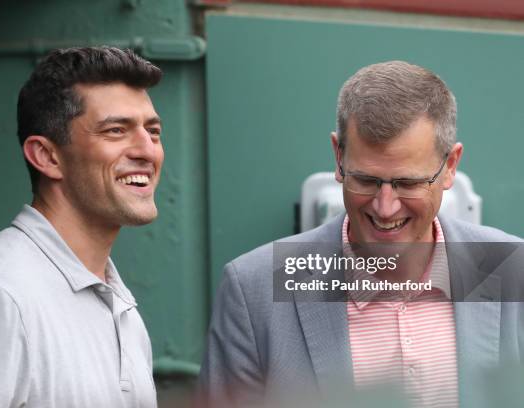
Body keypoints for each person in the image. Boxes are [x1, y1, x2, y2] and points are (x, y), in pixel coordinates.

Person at [199, 61, 524, 407]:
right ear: (338, 157)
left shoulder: (510, 270)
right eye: (366, 180)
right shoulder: (255, 289)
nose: (385, 207)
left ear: (451, 166)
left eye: (409, 183)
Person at [0, 47, 164, 407]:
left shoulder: (116, 302)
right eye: (115, 130)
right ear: (47, 156)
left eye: (153, 132)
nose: (147, 150)